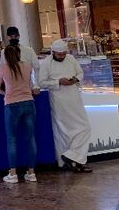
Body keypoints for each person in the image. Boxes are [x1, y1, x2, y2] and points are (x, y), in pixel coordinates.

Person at [36, 39, 93, 173]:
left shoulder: (71, 59)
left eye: (63, 54)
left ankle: (72, 157)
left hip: (74, 98)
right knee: (64, 132)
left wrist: (74, 80)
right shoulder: (46, 63)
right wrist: (58, 82)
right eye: (59, 54)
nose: (62, 56)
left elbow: (80, 73)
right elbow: (42, 82)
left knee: (84, 128)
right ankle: (72, 162)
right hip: (58, 100)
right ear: (53, 52)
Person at [0, 45, 38, 183]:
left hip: (11, 104)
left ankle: (13, 174)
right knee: (30, 138)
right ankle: (31, 173)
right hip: (28, 102)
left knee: (12, 139)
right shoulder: (27, 66)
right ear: (19, 54)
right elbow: (32, 85)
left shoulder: (2, 69)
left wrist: (7, 93)